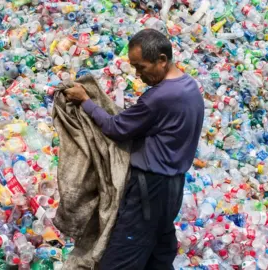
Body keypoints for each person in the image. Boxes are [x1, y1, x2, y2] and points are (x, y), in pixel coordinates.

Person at [64, 29, 204, 270]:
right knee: (158, 255)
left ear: (162, 60)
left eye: (142, 67)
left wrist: (86, 101)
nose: (138, 75)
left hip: (149, 189)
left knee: (121, 258)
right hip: (174, 187)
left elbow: (115, 128)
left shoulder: (159, 97)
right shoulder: (189, 87)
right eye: (135, 68)